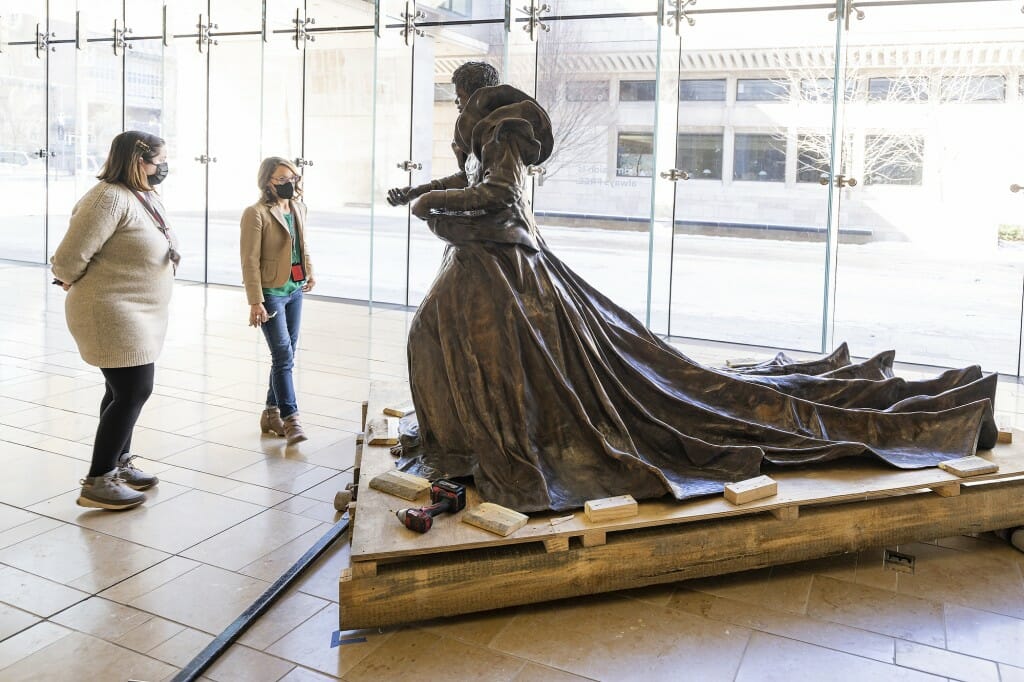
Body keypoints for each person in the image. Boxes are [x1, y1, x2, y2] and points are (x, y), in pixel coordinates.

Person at [397, 84, 998, 513]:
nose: (461, 100)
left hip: (506, 264)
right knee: (654, 380)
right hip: (487, 262)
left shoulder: (503, 132)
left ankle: (912, 411)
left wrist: (432, 206)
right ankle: (462, 441)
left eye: (464, 91)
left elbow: (496, 193)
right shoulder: (483, 137)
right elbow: (468, 184)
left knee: (682, 395)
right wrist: (424, 192)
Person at [51, 130, 175, 510]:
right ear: (137, 161)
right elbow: (69, 256)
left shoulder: (140, 195)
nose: (163, 168)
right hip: (111, 311)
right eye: (159, 161)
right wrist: (68, 277)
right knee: (135, 389)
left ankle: (117, 464)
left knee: (120, 390)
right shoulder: (106, 198)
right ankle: (98, 480)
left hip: (137, 310)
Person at [240, 157, 315, 446]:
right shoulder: (255, 213)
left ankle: (271, 413)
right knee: (283, 355)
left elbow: (303, 244)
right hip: (271, 292)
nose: (289, 184)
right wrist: (255, 301)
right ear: (267, 183)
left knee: (286, 354)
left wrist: (309, 272)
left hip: (295, 288)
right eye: (281, 180)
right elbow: (249, 260)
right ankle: (291, 417)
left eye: (292, 179)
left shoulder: (298, 207)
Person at [386, 61, 500, 208]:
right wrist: (416, 192)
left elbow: (499, 192)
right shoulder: (476, 132)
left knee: (426, 210)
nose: (456, 101)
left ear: (478, 98)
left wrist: (435, 200)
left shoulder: (501, 135)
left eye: (461, 96)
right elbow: (468, 177)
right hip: (491, 220)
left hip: (504, 224)